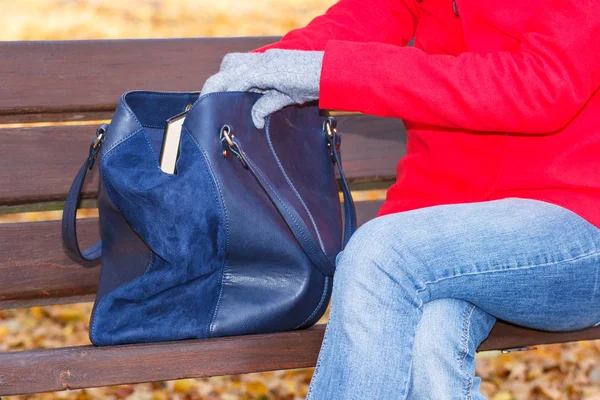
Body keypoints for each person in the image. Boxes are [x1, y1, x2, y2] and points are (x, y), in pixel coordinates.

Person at [201, 0, 600, 398]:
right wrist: (267, 67)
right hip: (444, 237)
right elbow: (369, 14)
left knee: (382, 255)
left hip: (574, 229)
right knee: (427, 341)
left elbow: (538, 86)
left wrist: (330, 71)